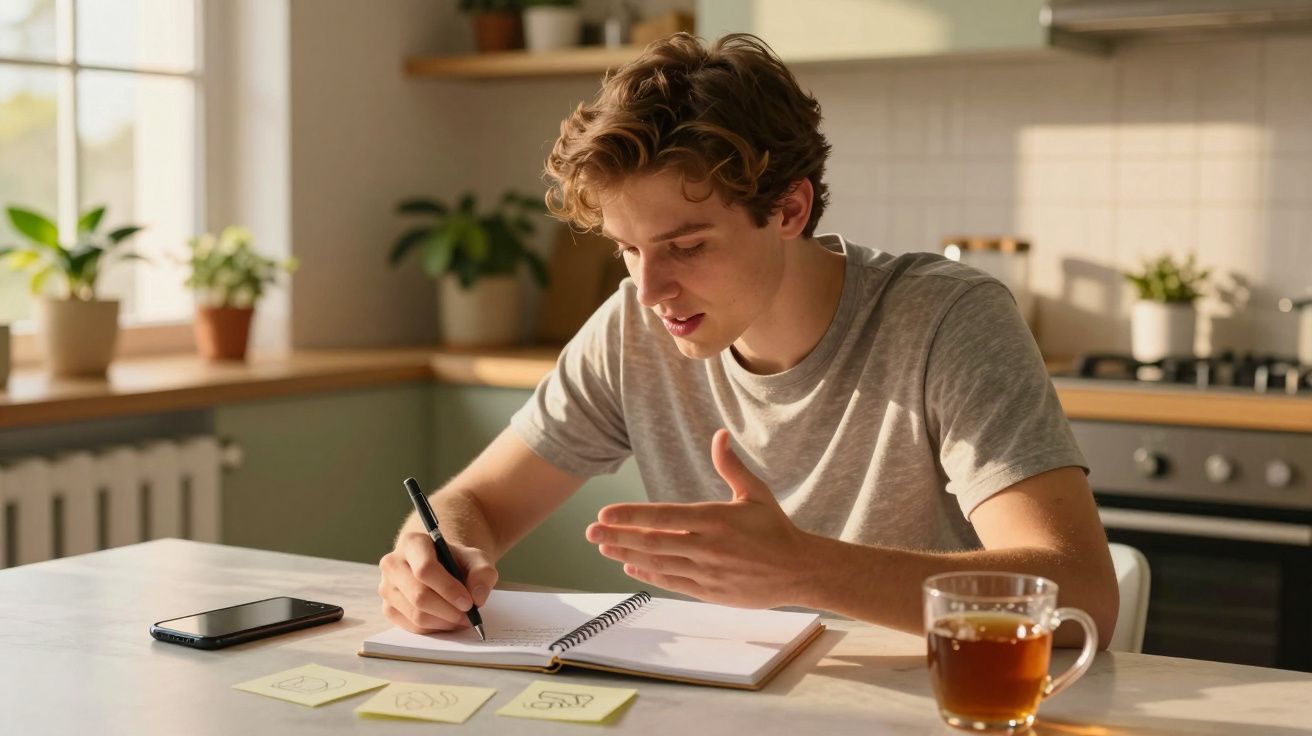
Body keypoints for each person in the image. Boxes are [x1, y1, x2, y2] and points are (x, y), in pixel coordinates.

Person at [378, 33, 1119, 646]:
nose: (650, 289)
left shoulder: (946, 321)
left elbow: (1081, 597)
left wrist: (805, 569)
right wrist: (431, 555)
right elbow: (476, 502)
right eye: (627, 249)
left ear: (790, 207)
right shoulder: (634, 329)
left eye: (688, 246)